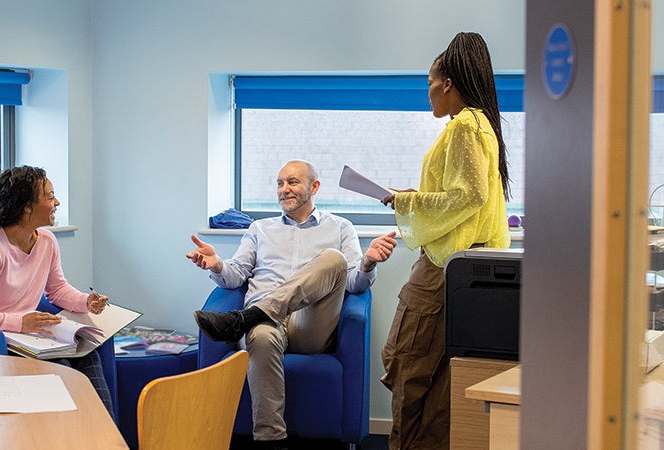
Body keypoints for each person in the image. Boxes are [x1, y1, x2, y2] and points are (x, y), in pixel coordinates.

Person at [187, 160, 398, 450]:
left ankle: (247, 317)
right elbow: (235, 275)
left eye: (293, 182)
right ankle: (271, 440)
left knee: (334, 259)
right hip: (266, 327)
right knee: (260, 335)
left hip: (310, 325)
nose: (284, 189)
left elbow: (354, 284)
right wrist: (217, 264)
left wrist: (367, 263)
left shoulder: (340, 227)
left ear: (315, 187)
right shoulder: (260, 229)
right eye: (280, 183)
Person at [379, 32, 511, 450]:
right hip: (465, 270)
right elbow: (468, 195)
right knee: (441, 386)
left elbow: (467, 196)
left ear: (448, 83)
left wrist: (407, 201)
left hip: (442, 269)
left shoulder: (465, 127)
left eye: (430, 83)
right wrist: (415, 198)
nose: (428, 92)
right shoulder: (483, 125)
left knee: (406, 366)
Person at [0, 165, 114, 416]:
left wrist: (85, 301)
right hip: (3, 338)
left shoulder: (46, 241)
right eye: (50, 196)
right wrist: (17, 323)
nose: (57, 202)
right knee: (62, 366)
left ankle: (106, 432)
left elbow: (57, 289)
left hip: (32, 336)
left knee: (89, 356)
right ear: (27, 207)